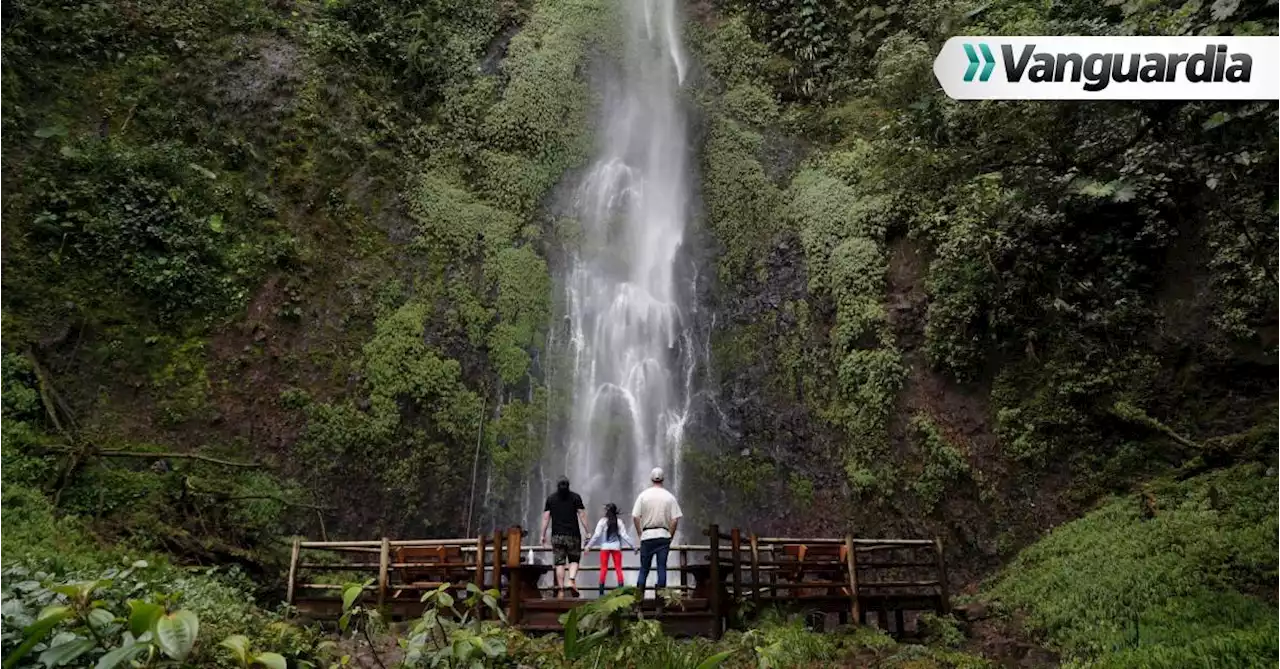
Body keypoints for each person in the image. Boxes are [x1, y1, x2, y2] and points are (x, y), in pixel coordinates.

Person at [631, 467, 682, 600]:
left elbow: (636, 517)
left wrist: (640, 534)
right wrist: (670, 535)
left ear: (651, 479)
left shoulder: (643, 495)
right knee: (661, 568)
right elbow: (675, 519)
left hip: (647, 536)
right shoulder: (669, 497)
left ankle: (638, 602)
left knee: (644, 569)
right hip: (663, 536)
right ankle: (660, 602)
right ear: (663, 479)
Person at [540, 476, 589, 598]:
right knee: (574, 560)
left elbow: (546, 517)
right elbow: (582, 514)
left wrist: (542, 535)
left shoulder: (551, 499)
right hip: (573, 535)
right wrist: (588, 531)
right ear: (568, 486)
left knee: (559, 563)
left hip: (557, 536)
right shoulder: (575, 497)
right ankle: (571, 580)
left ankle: (561, 590)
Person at [584, 502, 637, 596]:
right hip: (616, 547)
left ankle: (601, 592)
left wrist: (588, 546)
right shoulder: (619, 521)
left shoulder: (602, 521)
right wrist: (634, 546)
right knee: (618, 569)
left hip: (605, 548)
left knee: (603, 569)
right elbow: (624, 535)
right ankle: (621, 591)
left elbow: (596, 535)